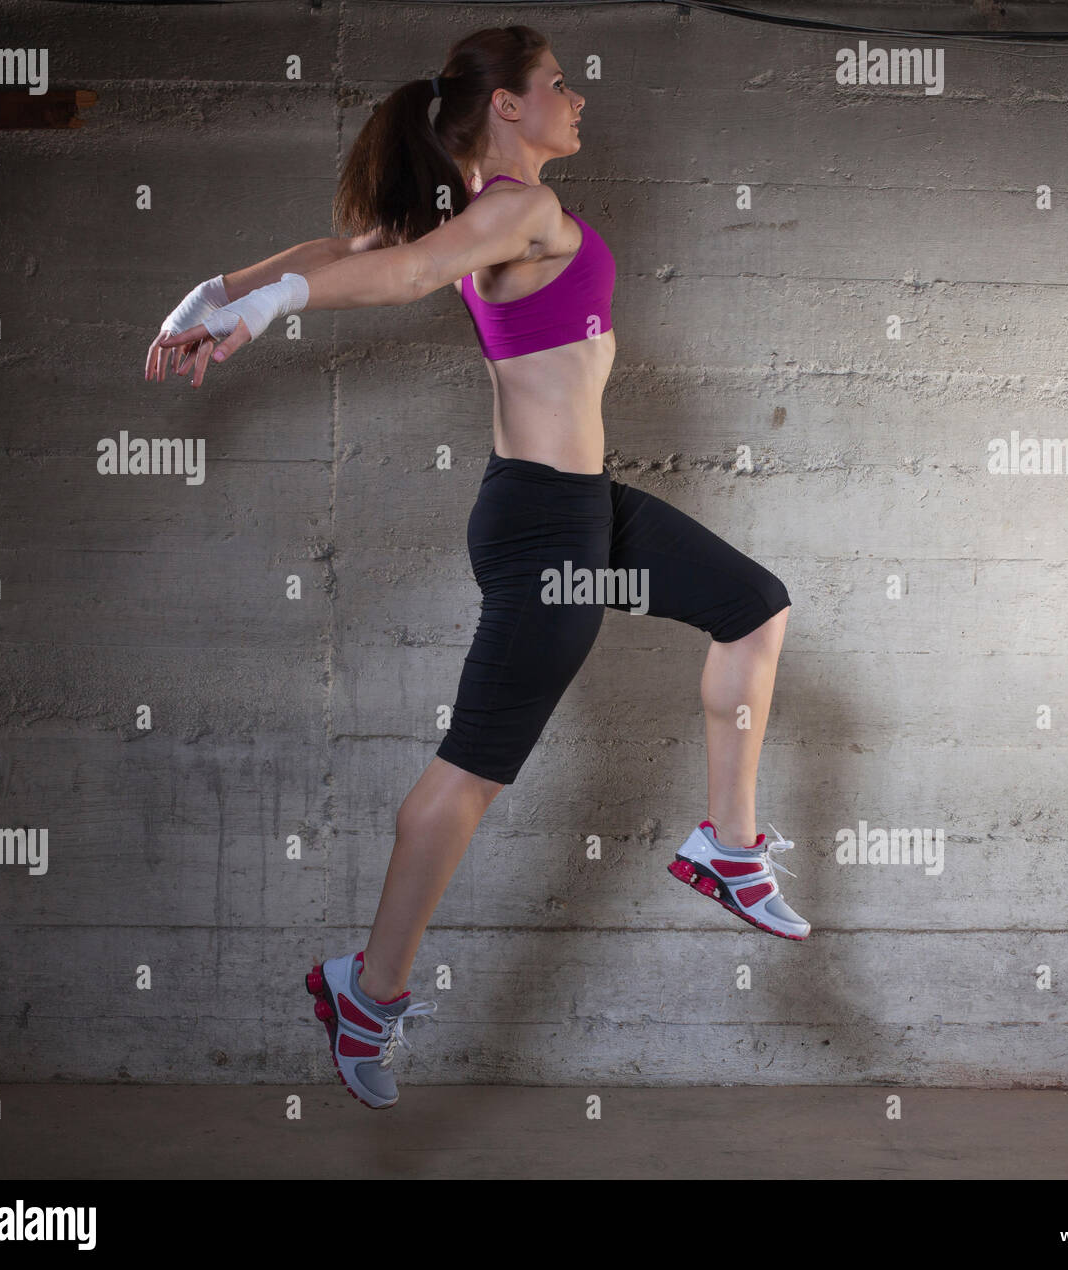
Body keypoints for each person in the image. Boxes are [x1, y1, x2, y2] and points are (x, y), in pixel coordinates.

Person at [147, 24, 806, 1112]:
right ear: (504, 106)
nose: (577, 97)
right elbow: (397, 271)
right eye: (555, 83)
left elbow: (352, 253)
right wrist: (251, 310)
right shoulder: (518, 211)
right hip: (550, 533)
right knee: (469, 775)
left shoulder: (476, 212)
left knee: (751, 605)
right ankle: (369, 989)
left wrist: (216, 291)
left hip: (574, 511)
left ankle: (727, 848)